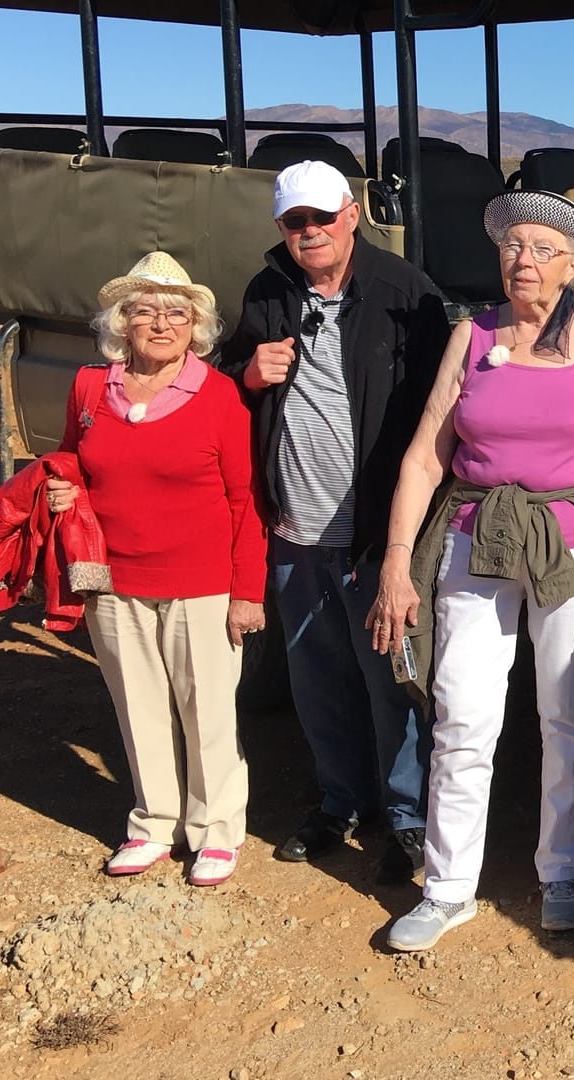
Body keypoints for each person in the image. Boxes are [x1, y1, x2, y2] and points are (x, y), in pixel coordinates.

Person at [366, 189, 574, 950]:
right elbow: (425, 454)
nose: (521, 260)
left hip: (570, 549)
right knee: (462, 713)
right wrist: (398, 563)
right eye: (510, 247)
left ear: (572, 266)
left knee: (566, 710)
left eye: (539, 248)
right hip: (476, 540)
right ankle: (446, 888)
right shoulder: (470, 338)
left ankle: (560, 871)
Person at [220, 160, 449, 885]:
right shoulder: (268, 291)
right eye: (295, 222)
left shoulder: (405, 293)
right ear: (281, 229)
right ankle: (341, 803)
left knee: (394, 680)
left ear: (352, 214)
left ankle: (409, 818)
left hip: (376, 536)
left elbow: (439, 418)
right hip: (295, 530)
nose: (310, 232)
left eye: (322, 217)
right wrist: (247, 373)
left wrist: (407, 541)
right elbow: (227, 384)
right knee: (317, 677)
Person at [45, 252, 266, 887]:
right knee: (137, 709)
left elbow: (244, 499)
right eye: (145, 311)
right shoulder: (91, 387)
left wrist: (246, 592)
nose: (161, 323)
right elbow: (70, 457)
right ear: (122, 322)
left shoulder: (219, 394)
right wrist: (66, 486)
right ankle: (152, 824)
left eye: (176, 313)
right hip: (113, 580)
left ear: (196, 326)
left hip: (202, 583)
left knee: (208, 713)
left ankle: (216, 832)